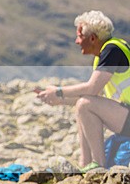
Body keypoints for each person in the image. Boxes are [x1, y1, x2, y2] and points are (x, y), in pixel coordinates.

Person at [37, 10, 130, 171]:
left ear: (92, 38)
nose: (76, 41)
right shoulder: (104, 54)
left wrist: (59, 91)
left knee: (85, 104)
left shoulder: (112, 50)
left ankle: (99, 166)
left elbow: (91, 89)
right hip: (125, 114)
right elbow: (95, 96)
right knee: (83, 104)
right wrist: (61, 100)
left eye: (80, 36)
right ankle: (85, 165)